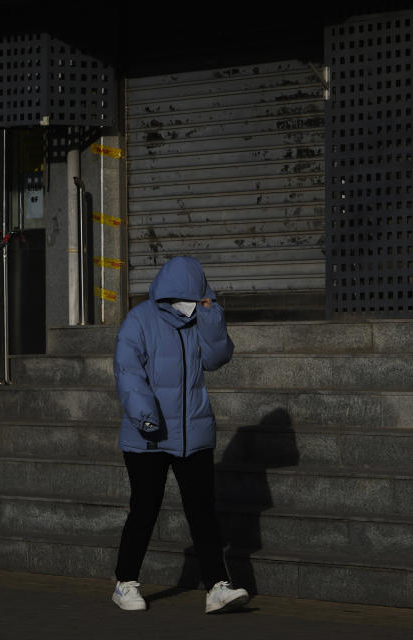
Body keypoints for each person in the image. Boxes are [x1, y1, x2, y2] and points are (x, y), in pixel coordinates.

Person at [110, 255, 248, 613]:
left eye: (195, 294)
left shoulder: (198, 321)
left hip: (193, 433)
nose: (186, 302)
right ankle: (125, 583)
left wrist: (212, 317)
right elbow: (127, 371)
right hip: (148, 436)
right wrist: (146, 417)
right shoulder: (139, 320)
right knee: (144, 510)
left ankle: (217, 585)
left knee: (202, 511)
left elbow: (217, 359)